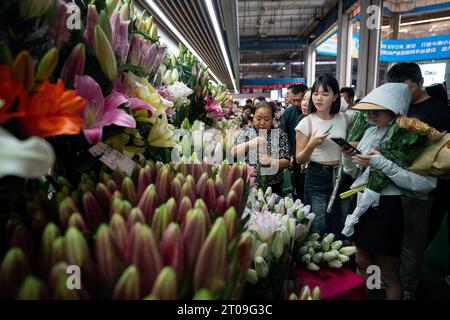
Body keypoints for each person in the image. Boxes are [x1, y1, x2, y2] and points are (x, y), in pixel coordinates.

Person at [341, 83, 437, 300]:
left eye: (379, 109)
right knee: (362, 261)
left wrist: (383, 164)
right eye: (369, 109)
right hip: (362, 203)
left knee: (388, 273)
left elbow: (425, 184)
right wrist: (348, 155)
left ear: (396, 108)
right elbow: (355, 174)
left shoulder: (412, 136)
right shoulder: (369, 132)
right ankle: (370, 294)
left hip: (388, 208)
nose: (372, 114)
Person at [387, 62, 450, 299]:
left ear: (421, 83)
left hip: (426, 190)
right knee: (397, 236)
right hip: (396, 185)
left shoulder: (440, 112)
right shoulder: (397, 108)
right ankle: (394, 279)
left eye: (408, 88)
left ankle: (409, 288)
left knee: (415, 240)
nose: (403, 94)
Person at [295, 74, 350, 235]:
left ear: (335, 97)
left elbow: (357, 143)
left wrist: (350, 147)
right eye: (316, 93)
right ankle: (319, 259)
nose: (319, 98)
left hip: (343, 174)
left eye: (325, 94)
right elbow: (299, 159)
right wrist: (312, 144)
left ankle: (343, 258)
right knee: (318, 223)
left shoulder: (345, 119)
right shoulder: (306, 122)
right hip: (317, 175)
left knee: (342, 220)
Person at [231, 101, 290, 195]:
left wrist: (270, 161)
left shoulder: (279, 135)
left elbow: (286, 162)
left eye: (267, 119)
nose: (262, 123)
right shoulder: (245, 132)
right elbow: (233, 153)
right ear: (253, 117)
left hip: (273, 187)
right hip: (247, 184)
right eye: (258, 118)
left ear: (273, 118)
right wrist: (250, 144)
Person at [280, 84, 309, 201]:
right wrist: (289, 156)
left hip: (311, 161)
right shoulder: (288, 113)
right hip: (294, 158)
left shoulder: (314, 116)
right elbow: (283, 136)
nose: (297, 103)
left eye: (299, 100)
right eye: (294, 100)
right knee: (297, 190)